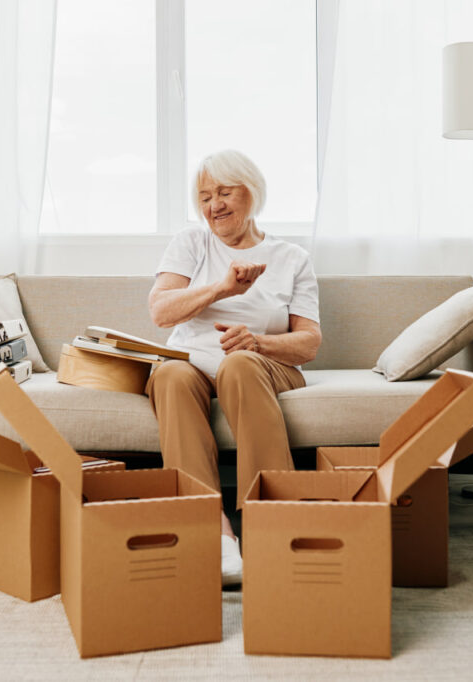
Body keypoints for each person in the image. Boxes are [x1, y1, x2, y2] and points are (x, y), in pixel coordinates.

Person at [146, 149, 322, 586]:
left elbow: (310, 342)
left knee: (240, 363)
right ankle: (213, 531)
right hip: (192, 364)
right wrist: (221, 287)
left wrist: (257, 342)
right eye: (205, 196)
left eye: (225, 192)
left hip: (261, 365)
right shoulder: (190, 244)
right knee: (168, 374)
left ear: (253, 193)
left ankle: (269, 525)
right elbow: (161, 312)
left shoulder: (291, 258)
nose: (214, 205)